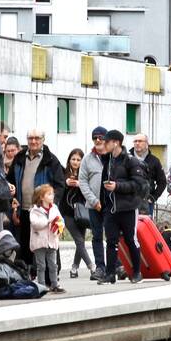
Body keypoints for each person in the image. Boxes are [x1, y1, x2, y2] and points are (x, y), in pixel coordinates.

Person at [10, 128, 65, 264]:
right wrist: (13, 201)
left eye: (37, 138)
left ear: (43, 140)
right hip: (23, 209)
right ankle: (28, 275)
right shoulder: (19, 157)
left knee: (47, 244)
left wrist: (51, 205)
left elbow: (60, 185)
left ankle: (50, 277)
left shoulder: (51, 159)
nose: (33, 141)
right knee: (25, 245)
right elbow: (10, 181)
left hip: (43, 212)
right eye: (30, 138)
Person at [99, 129, 147, 285]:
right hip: (110, 208)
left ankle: (137, 273)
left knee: (130, 240)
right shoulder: (106, 160)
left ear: (116, 143)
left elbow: (138, 184)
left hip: (128, 208)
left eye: (106, 142)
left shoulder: (130, 161)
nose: (103, 144)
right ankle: (110, 274)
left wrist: (117, 186)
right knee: (111, 241)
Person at [78, 126, 110, 280]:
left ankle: (116, 265)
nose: (98, 140)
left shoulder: (113, 157)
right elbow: (82, 182)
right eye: (95, 137)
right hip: (94, 205)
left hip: (112, 204)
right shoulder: (87, 158)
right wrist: (94, 201)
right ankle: (100, 268)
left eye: (101, 137)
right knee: (97, 236)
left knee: (114, 236)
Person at [60, 148, 94, 278]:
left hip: (82, 212)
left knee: (81, 243)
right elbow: (57, 188)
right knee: (79, 240)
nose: (75, 162)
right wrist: (66, 183)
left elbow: (91, 191)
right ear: (69, 160)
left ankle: (74, 268)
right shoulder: (63, 173)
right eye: (73, 159)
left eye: (78, 160)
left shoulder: (85, 175)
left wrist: (81, 184)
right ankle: (92, 267)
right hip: (68, 212)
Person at [27, 183, 65, 293]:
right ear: (41, 197)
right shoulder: (35, 210)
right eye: (49, 194)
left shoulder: (55, 208)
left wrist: (60, 225)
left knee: (53, 264)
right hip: (39, 242)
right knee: (41, 265)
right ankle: (41, 285)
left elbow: (60, 219)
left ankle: (55, 284)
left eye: (52, 194)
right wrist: (48, 221)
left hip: (52, 241)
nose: (52, 196)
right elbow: (35, 224)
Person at [130, 134, 167, 217]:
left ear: (147, 144)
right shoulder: (127, 158)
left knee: (145, 228)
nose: (137, 143)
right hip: (129, 201)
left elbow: (162, 182)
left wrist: (153, 198)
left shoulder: (154, 161)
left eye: (140, 141)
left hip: (146, 203)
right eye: (135, 141)